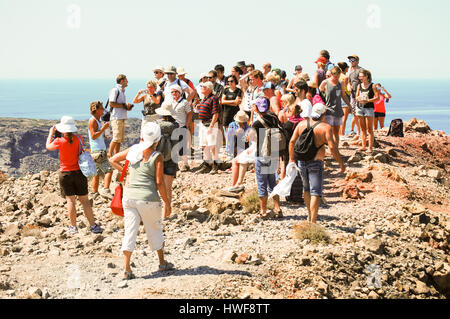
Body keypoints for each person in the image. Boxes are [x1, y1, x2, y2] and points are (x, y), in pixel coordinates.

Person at [109, 122, 174, 280]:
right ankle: (162, 262)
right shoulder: (156, 156)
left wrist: (127, 172)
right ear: (157, 140)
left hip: (129, 197)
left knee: (129, 232)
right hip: (148, 199)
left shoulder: (133, 151)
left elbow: (112, 159)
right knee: (154, 229)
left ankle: (126, 269)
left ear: (142, 137)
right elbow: (159, 183)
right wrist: (167, 202)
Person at [46, 116, 104, 235]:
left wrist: (51, 133)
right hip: (79, 172)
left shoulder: (59, 141)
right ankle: (93, 226)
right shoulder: (79, 138)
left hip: (65, 174)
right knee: (85, 201)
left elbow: (48, 146)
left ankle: (73, 227)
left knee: (71, 201)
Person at [289, 104, 345, 223]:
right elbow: (332, 147)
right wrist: (341, 163)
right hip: (316, 162)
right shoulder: (326, 127)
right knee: (316, 192)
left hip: (302, 161)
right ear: (323, 114)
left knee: (306, 189)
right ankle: (313, 222)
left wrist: (291, 159)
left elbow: (292, 142)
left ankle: (309, 214)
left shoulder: (301, 124)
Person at [251, 97, 282, 218]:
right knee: (272, 182)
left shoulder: (257, 122)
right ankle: (277, 208)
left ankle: (263, 211)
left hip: (262, 154)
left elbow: (251, 138)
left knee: (262, 183)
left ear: (257, 108)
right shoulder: (274, 118)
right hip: (273, 153)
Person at [155, 102, 180, 214]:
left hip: (157, 158)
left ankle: (154, 213)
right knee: (168, 189)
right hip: (171, 158)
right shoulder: (176, 126)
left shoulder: (156, 125)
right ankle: (167, 213)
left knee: (156, 187)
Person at [319, 66, 350, 146]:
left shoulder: (341, 83)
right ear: (332, 74)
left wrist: (349, 105)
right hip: (329, 110)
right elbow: (320, 90)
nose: (336, 78)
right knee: (329, 131)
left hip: (338, 110)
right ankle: (330, 147)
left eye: (338, 76)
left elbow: (343, 95)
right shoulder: (325, 82)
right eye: (335, 76)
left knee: (336, 131)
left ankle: (336, 148)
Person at [225, 111, 255, 193]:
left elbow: (247, 140)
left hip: (243, 148)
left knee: (236, 162)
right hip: (235, 146)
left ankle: (235, 184)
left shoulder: (248, 128)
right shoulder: (232, 125)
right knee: (235, 162)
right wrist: (229, 151)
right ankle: (235, 184)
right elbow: (229, 139)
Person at [88, 101, 113, 197]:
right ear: (97, 110)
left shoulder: (97, 121)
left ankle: (95, 193)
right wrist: (103, 129)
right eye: (102, 108)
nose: (103, 110)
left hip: (95, 151)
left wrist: (105, 136)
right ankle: (106, 190)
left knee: (96, 173)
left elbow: (96, 136)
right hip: (99, 151)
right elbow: (93, 136)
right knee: (109, 170)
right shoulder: (93, 120)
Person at [195, 81, 220, 174]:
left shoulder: (213, 98)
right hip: (203, 123)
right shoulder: (204, 98)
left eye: (203, 87)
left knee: (212, 146)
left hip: (210, 124)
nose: (201, 88)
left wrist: (211, 125)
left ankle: (215, 166)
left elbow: (215, 113)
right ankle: (207, 164)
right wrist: (199, 106)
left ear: (209, 89)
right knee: (204, 145)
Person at [107, 74, 134, 158]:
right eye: (126, 80)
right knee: (116, 138)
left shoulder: (122, 91)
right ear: (122, 81)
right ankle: (109, 155)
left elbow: (119, 105)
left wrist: (127, 107)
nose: (127, 82)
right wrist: (124, 105)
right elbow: (111, 103)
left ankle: (116, 156)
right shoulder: (115, 90)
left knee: (119, 140)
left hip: (121, 117)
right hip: (116, 117)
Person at [355, 69, 379, 152]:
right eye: (359, 76)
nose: (360, 78)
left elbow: (377, 97)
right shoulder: (359, 86)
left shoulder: (373, 86)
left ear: (367, 76)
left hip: (369, 108)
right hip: (360, 107)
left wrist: (367, 100)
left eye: (361, 76)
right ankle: (363, 146)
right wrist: (358, 98)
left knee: (369, 129)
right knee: (362, 129)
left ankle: (370, 148)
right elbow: (356, 96)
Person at [170, 85, 192, 172]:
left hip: (181, 126)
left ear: (180, 92)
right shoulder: (171, 102)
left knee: (181, 148)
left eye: (175, 91)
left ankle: (186, 164)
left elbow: (190, 113)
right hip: (172, 127)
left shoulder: (184, 102)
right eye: (172, 92)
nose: (174, 93)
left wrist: (187, 125)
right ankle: (175, 165)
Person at [347, 55, 363, 137]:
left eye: (352, 60)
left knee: (360, 114)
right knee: (355, 114)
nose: (351, 62)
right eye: (350, 60)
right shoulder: (350, 71)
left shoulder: (361, 70)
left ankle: (362, 132)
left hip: (360, 96)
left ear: (357, 61)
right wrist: (349, 86)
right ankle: (358, 132)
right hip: (352, 96)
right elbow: (349, 82)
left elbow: (365, 82)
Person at [337, 62, 351, 136]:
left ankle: (339, 133)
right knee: (344, 119)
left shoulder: (337, 76)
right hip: (345, 97)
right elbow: (346, 89)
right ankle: (342, 134)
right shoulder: (345, 77)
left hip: (337, 97)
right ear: (346, 68)